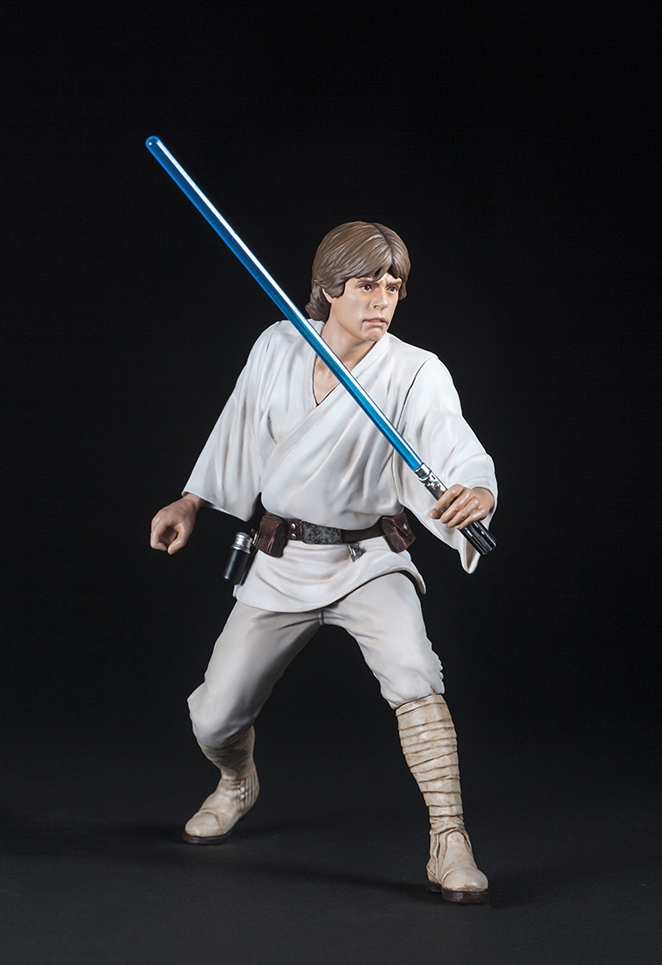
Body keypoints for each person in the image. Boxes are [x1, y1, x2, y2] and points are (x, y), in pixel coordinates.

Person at [150, 221, 497, 904]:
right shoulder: (278, 346)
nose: (382, 300)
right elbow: (235, 431)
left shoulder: (414, 370)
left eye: (393, 287)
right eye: (366, 285)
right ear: (329, 289)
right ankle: (236, 782)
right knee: (214, 716)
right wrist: (191, 502)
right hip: (282, 559)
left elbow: (454, 443)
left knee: (414, 674)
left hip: (369, 560)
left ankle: (449, 837)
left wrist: (477, 490)